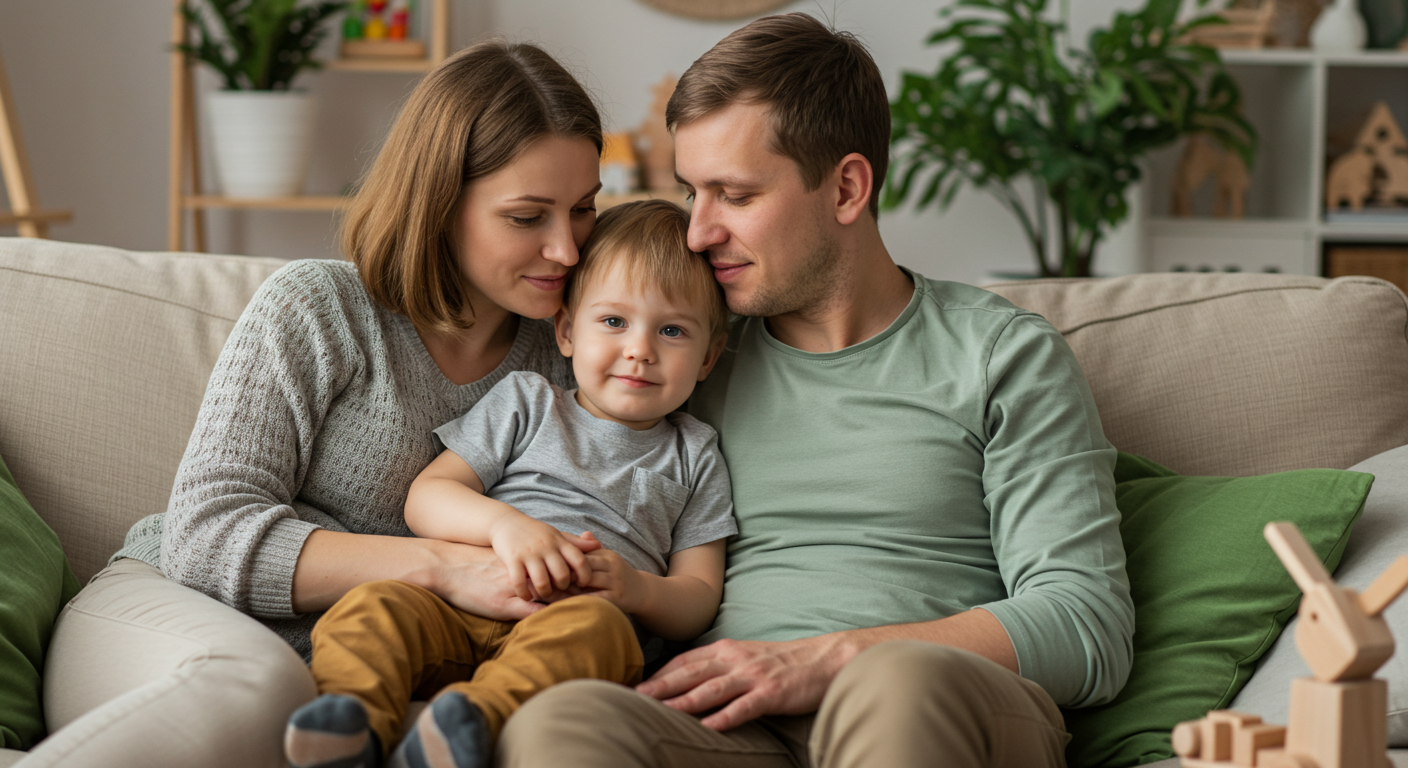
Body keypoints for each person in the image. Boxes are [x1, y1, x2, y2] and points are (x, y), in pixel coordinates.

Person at [498, 13, 1136, 768]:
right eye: (691, 193)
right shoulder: (686, 358)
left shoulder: (999, 355)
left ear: (846, 188)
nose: (698, 233)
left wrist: (824, 660)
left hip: (937, 700)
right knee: (566, 723)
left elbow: (1087, 624)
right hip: (736, 721)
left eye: (733, 195)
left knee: (894, 685)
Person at [101, 39, 626, 765]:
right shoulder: (320, 307)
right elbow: (205, 534)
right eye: (527, 216)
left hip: (383, 659)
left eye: (583, 210)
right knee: (256, 694)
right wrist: (440, 566)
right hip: (184, 605)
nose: (567, 250)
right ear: (440, 202)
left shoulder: (572, 356)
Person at [282, 200, 737, 768]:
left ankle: (468, 723)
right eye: (614, 322)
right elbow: (428, 496)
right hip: (459, 601)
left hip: (574, 622)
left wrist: (638, 589)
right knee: (374, 605)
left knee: (598, 633)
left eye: (671, 331)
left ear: (708, 358)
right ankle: (350, 722)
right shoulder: (528, 401)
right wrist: (506, 526)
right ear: (567, 331)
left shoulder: (695, 454)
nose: (639, 350)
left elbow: (698, 596)